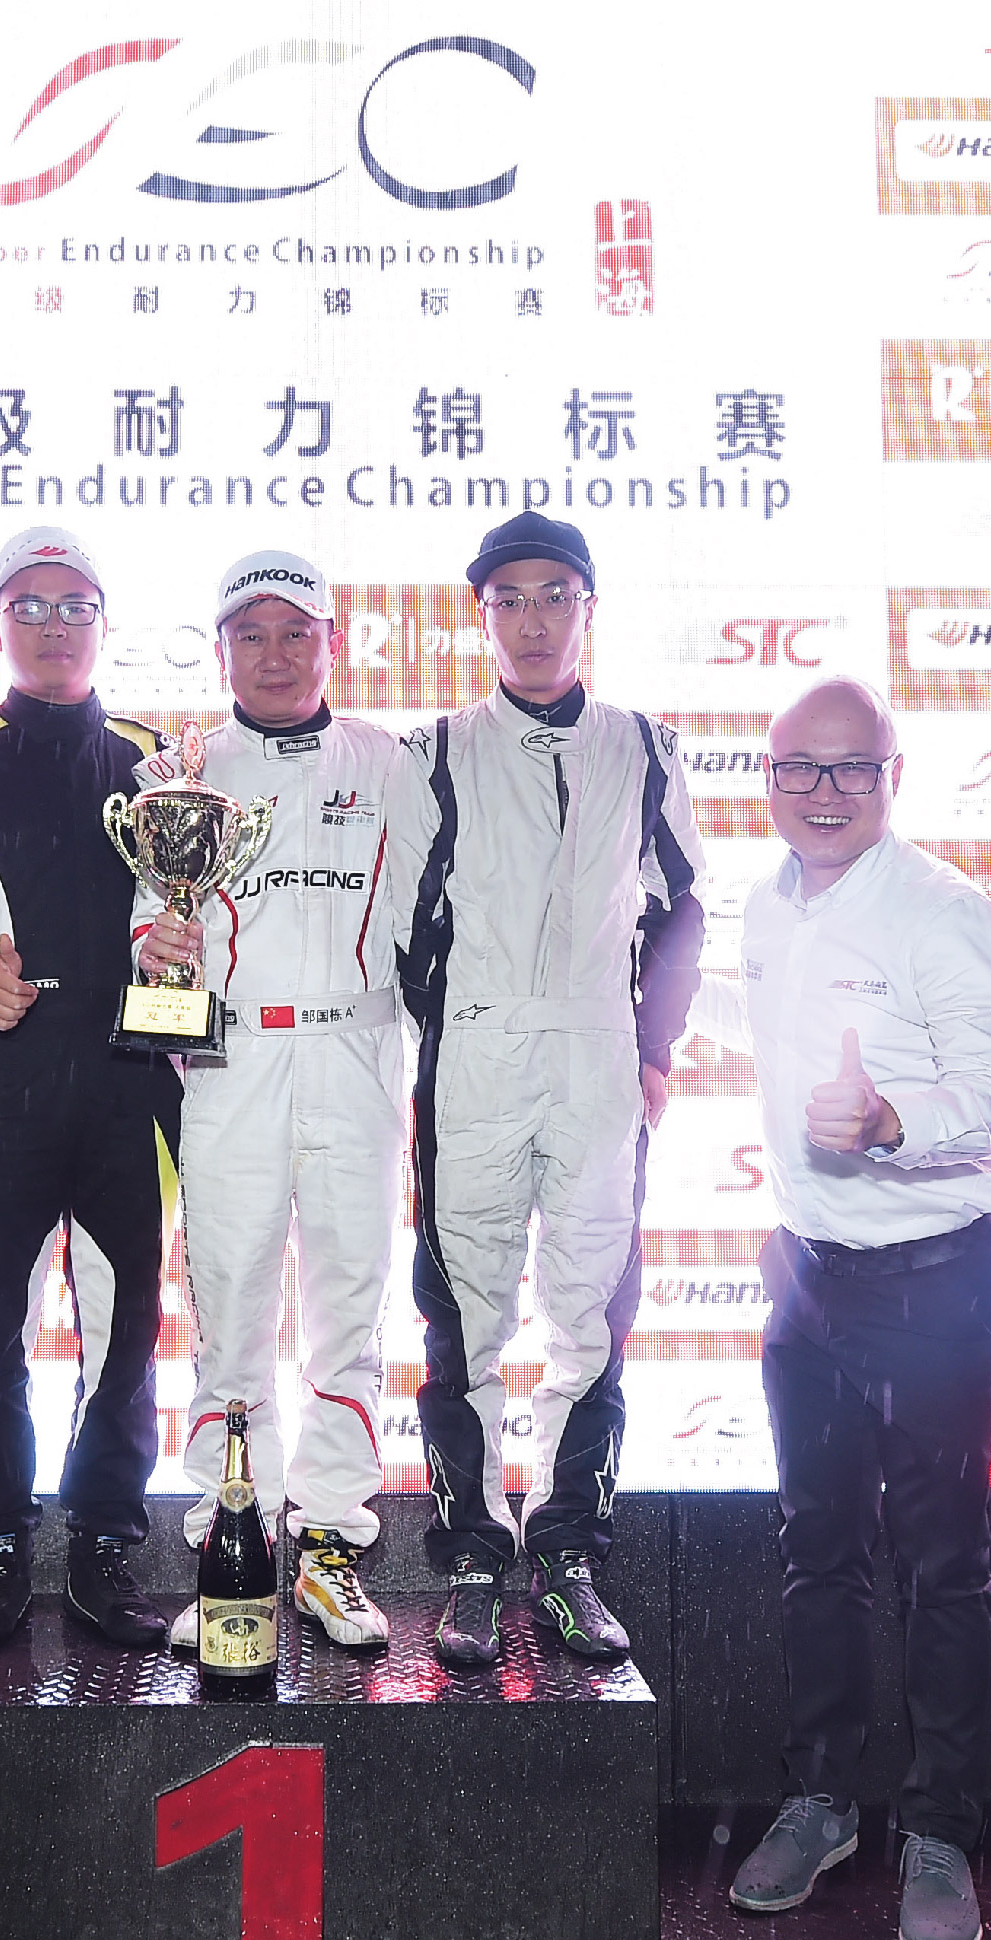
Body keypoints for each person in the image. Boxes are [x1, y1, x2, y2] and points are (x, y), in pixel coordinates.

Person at [690, 677, 991, 1940]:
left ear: (894, 776)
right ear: (769, 777)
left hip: (936, 1281)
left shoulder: (947, 912)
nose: (823, 792)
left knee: (944, 1567)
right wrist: (645, 980)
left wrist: (891, 1121)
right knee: (817, 1552)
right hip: (808, 1277)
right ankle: (824, 1800)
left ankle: (939, 1831)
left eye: (851, 769)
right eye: (799, 769)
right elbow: (763, 1020)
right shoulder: (770, 903)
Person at [394, 511, 707, 1668]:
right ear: (481, 616)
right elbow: (408, 918)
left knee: (590, 1317)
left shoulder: (647, 747)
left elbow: (681, 906)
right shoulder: (437, 749)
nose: (532, 621)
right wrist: (451, 1034)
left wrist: (653, 1047)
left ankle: (569, 1551)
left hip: (597, 1057)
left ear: (589, 606)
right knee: (461, 1317)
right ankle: (474, 1559)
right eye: (509, 600)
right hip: (476, 1057)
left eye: (555, 595)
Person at [0, 526, 185, 1650]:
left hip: (133, 1079)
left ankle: (106, 1543)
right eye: (30, 606)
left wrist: (181, 949)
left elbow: (196, 904)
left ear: (106, 624)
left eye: (76, 607)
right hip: (2, 1074)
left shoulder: (160, 756)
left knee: (127, 1326)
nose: (54, 626)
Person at [134, 552, 415, 1653]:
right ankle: (230, 1541)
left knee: (349, 1303)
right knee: (231, 1300)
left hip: (357, 1047)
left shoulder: (389, 762)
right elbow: (147, 922)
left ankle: (332, 1542)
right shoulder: (181, 771)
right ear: (220, 652)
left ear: (332, 642)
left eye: (297, 631)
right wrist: (157, 948)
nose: (275, 653)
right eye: (250, 634)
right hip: (231, 1057)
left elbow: (434, 912)